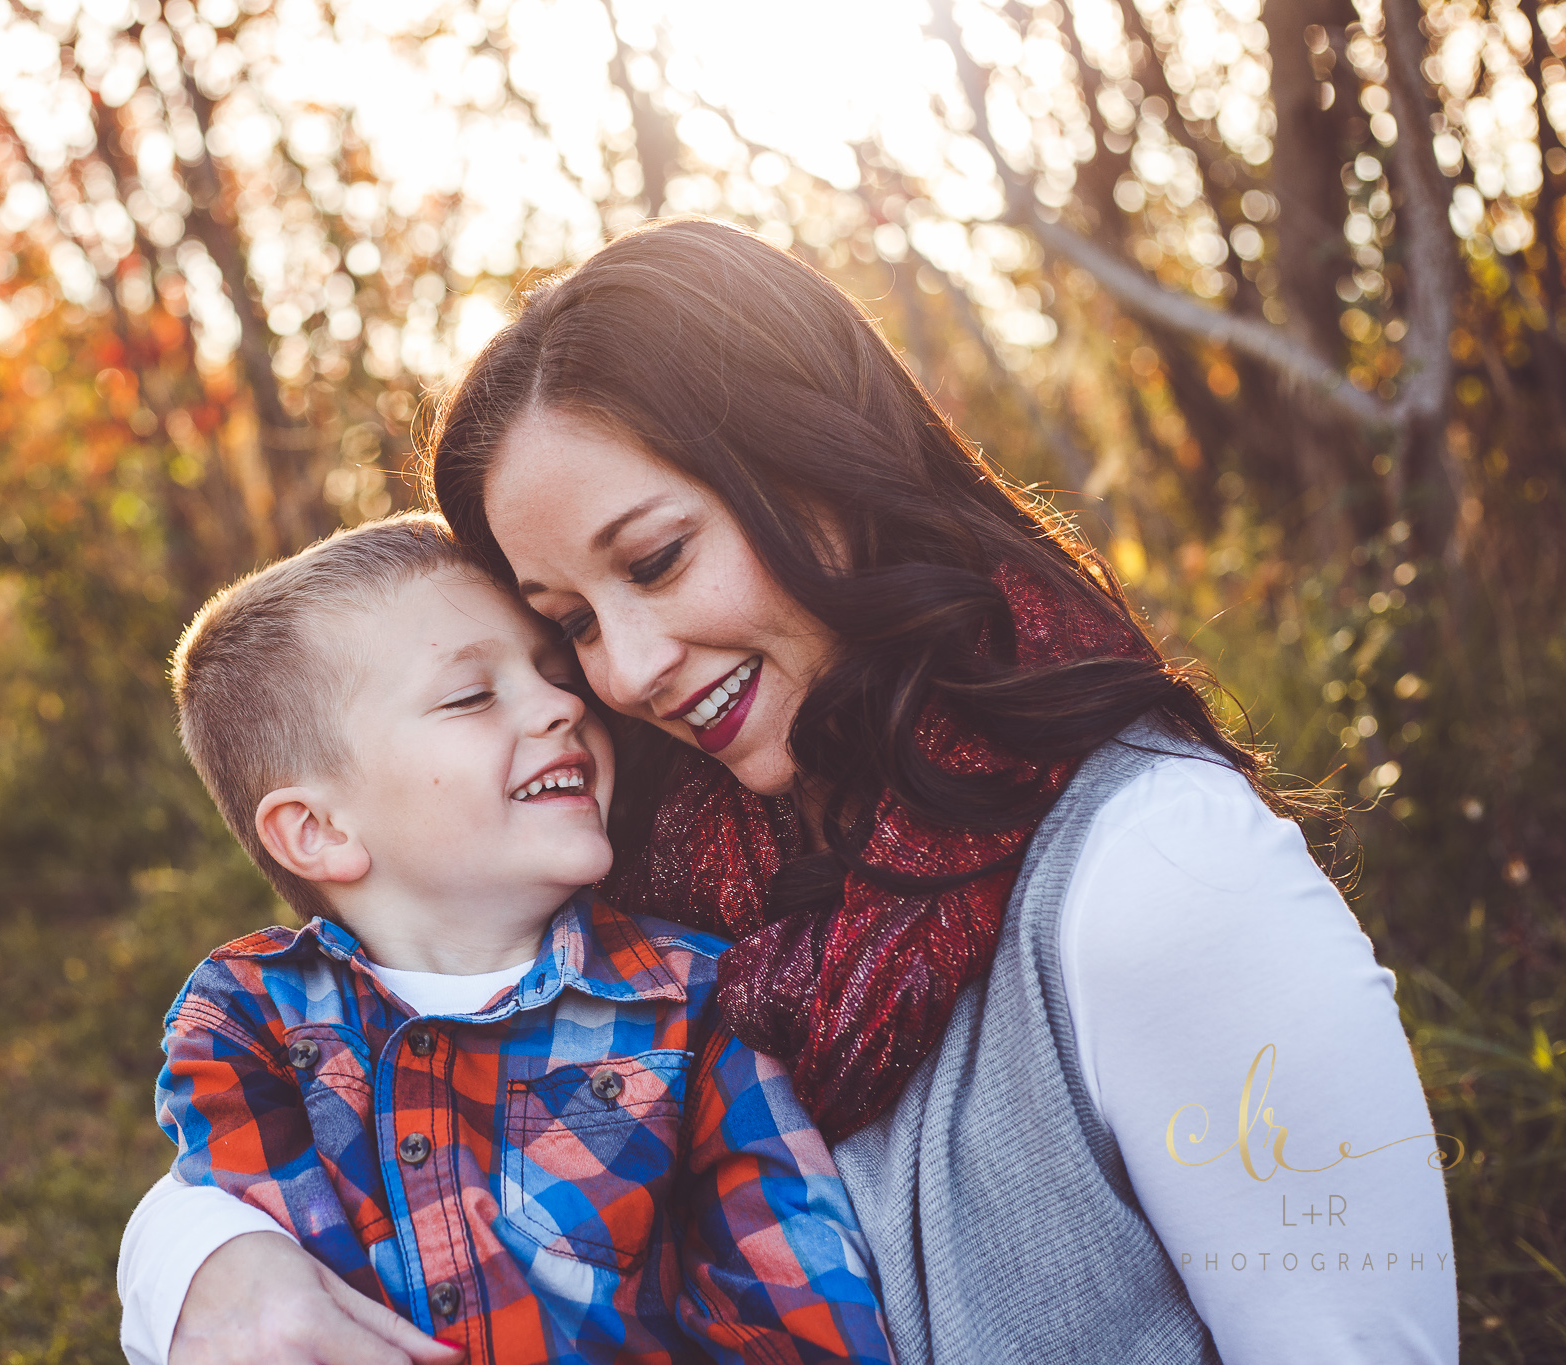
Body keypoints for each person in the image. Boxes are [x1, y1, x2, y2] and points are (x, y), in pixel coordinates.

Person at [120, 220, 1458, 1364]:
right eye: (568, 620)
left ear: (822, 464)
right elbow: (399, 1051)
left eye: (654, 559)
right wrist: (204, 1258)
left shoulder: (1157, 875)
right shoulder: (648, 849)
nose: (623, 673)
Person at [136, 512, 894, 1365]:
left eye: (553, 669)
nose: (564, 703)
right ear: (317, 830)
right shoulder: (249, 1023)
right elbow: (265, 1304)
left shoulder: (702, 1006)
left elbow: (797, 1323)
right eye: (470, 695)